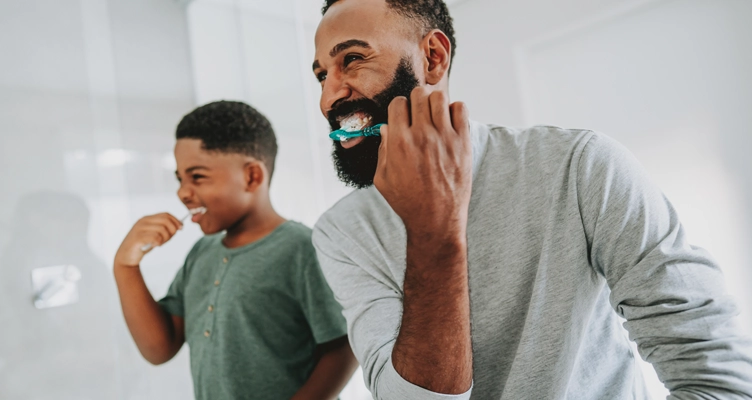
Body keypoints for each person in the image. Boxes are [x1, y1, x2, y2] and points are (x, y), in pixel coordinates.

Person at [309, 0, 752, 399]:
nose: (330, 95)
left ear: (433, 58)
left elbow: (718, 382)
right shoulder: (340, 231)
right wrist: (435, 233)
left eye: (353, 59)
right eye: (322, 75)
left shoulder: (582, 167)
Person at [113, 101, 358, 400]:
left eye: (197, 177)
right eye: (180, 179)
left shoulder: (302, 249)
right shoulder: (201, 252)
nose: (183, 192)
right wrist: (126, 266)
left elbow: (343, 347)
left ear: (252, 177)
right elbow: (159, 349)